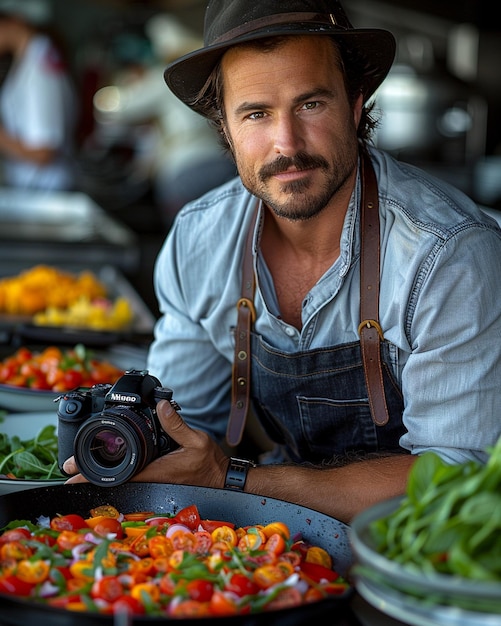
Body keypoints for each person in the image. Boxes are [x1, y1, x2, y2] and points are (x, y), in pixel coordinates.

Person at [64, 0, 501, 524]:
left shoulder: (449, 254)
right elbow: (179, 428)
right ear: (224, 127)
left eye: (311, 104)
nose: (286, 144)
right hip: (265, 544)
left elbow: (454, 479)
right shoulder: (200, 240)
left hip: (410, 555)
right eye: (256, 113)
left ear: (356, 102)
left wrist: (236, 480)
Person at [0, 11, 78, 190]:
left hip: (47, 189)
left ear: (13, 20)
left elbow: (44, 152)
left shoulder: (39, 62)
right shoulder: (28, 60)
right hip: (34, 187)